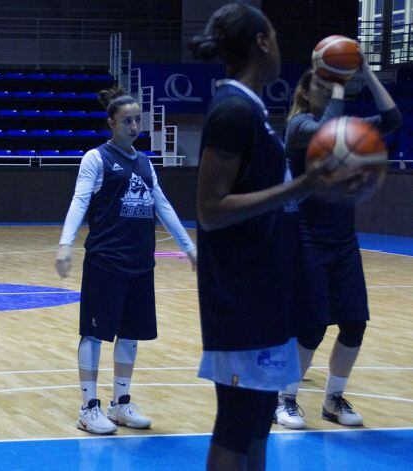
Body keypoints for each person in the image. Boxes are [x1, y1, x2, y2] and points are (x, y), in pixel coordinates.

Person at [189, 4, 366, 470]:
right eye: (276, 36)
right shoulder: (231, 111)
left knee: (259, 422)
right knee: (238, 423)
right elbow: (209, 211)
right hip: (241, 298)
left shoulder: (250, 109)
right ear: (262, 43)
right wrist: (303, 185)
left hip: (265, 295)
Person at [55, 86, 197, 435]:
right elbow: (79, 200)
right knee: (94, 333)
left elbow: (163, 206)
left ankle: (121, 403)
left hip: (140, 261)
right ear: (111, 123)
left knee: (130, 334)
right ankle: (88, 407)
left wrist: (189, 246)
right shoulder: (96, 158)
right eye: (127, 121)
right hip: (105, 260)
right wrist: (65, 243)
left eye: (138, 120)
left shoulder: (145, 162)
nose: (134, 126)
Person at [274, 53, 401, 430]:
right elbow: (327, 131)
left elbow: (393, 119)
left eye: (332, 88)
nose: (329, 93)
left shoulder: (349, 127)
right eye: (322, 86)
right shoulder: (299, 126)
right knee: (311, 325)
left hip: (344, 239)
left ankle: (332, 399)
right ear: (305, 91)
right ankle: (284, 399)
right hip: (307, 238)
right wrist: (341, 83)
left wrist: (366, 74)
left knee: (354, 323)